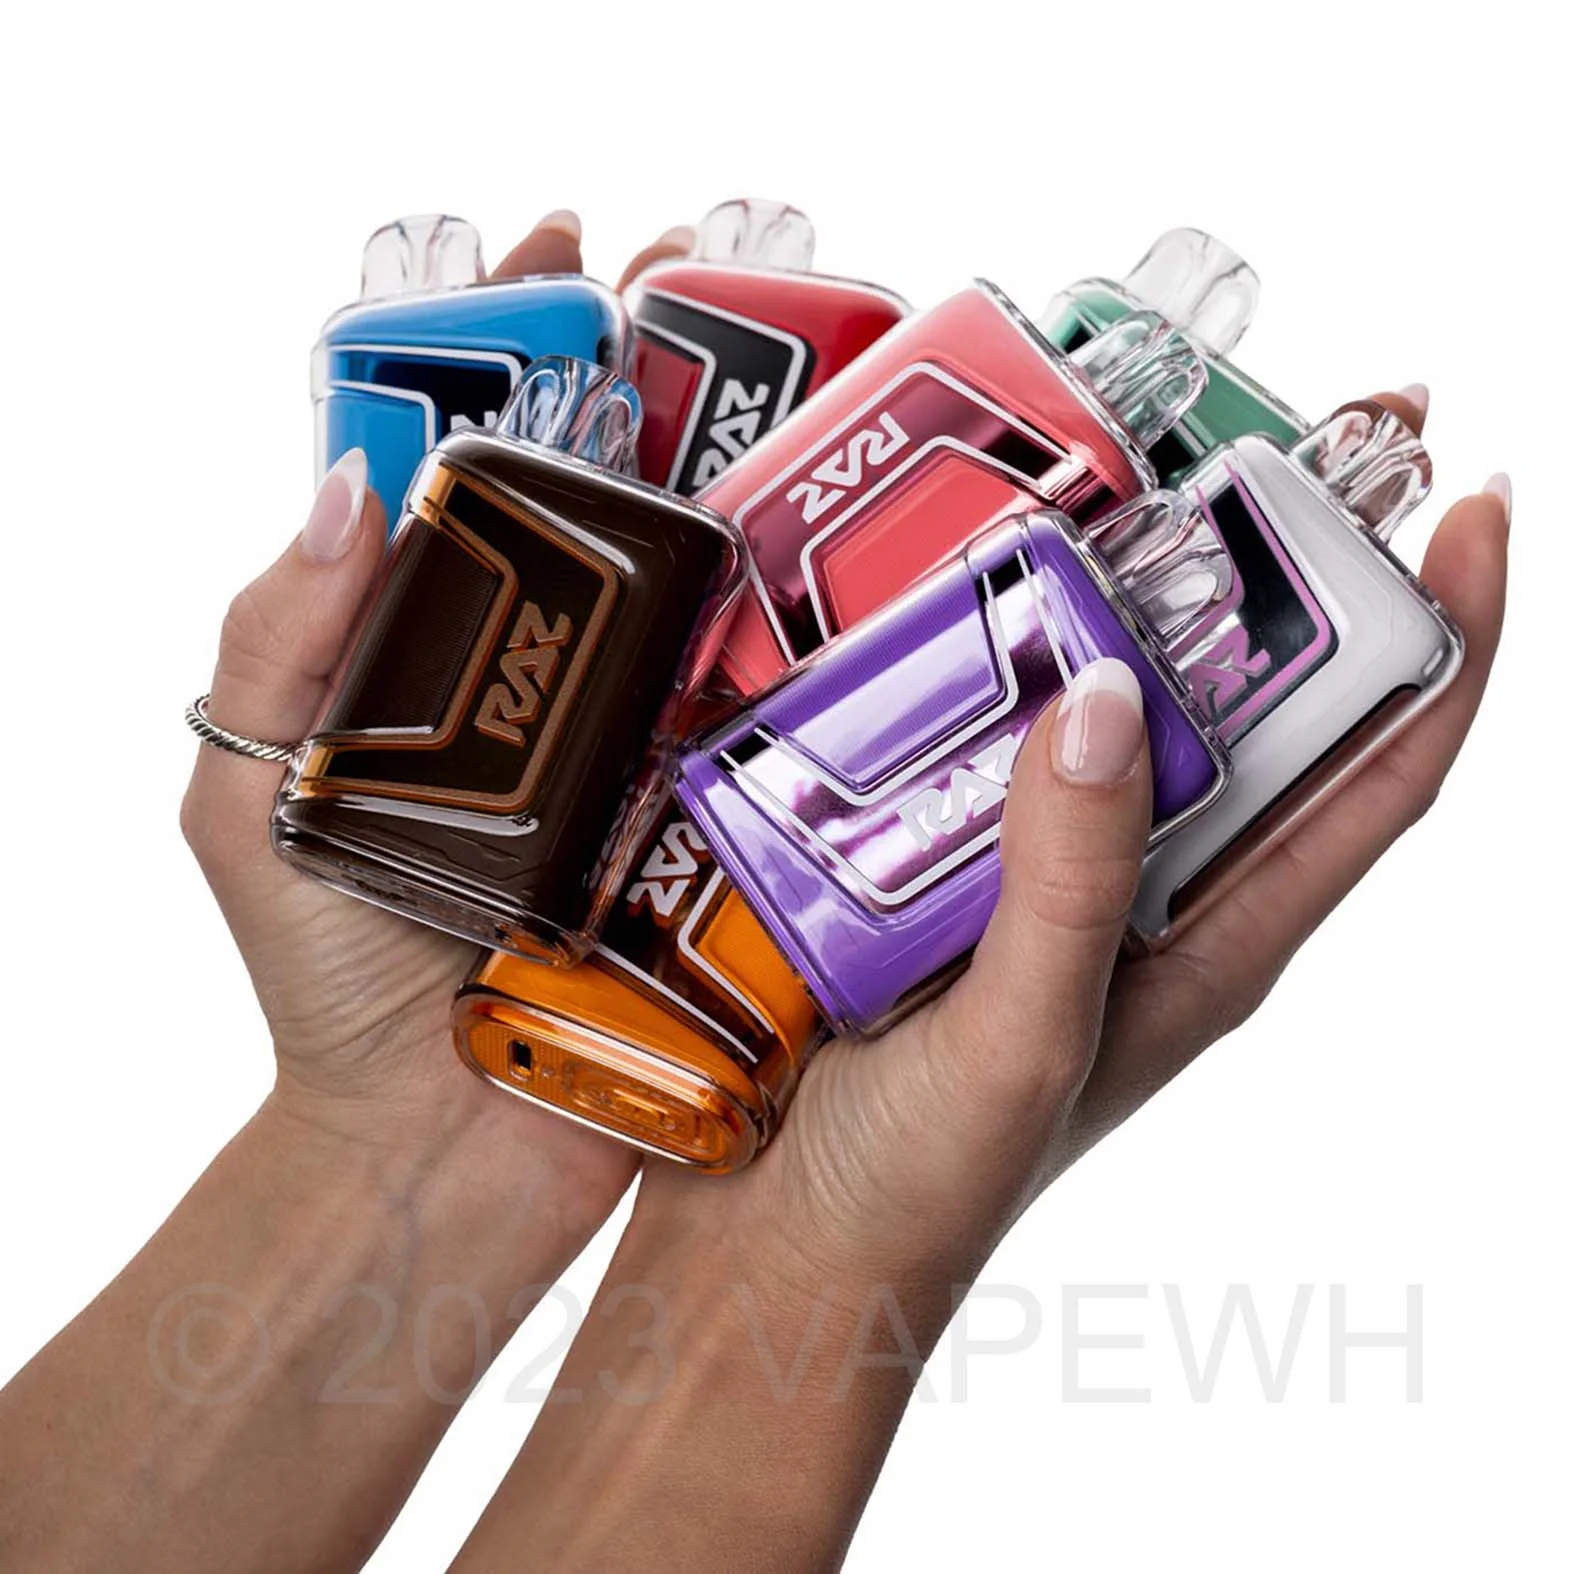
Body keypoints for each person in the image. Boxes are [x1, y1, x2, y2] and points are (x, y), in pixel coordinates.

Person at [0, 210, 1511, 1573]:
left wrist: (795, 1243)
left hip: (671, 955)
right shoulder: (1029, 555)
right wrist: (800, 1258)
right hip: (633, 952)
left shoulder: (1051, 563)